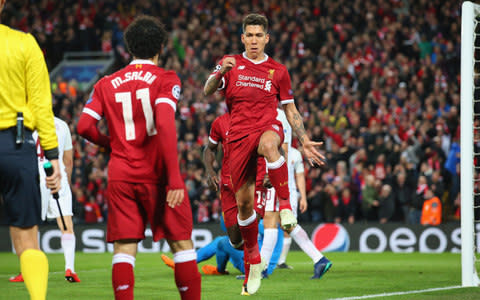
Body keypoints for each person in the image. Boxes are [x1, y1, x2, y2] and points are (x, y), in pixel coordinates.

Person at [77, 15, 201, 300]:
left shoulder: (106, 83)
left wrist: (111, 144)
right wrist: (174, 178)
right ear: (160, 46)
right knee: (181, 245)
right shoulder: (166, 78)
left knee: (123, 249)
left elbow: (84, 126)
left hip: (121, 174)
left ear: (129, 47)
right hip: (157, 174)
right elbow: (166, 125)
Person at [203, 13, 326, 295]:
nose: (255, 40)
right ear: (243, 38)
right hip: (238, 139)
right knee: (243, 213)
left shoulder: (278, 71)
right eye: (250, 35)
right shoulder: (231, 63)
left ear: (267, 38)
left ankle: (285, 206)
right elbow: (207, 90)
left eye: (260, 35)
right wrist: (220, 70)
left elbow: (290, 109)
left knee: (272, 144)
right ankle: (253, 262)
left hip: (266, 128)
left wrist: (304, 139)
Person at [0, 0, 62, 298]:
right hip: (15, 144)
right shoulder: (24, 44)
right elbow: (41, 104)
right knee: (27, 239)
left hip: (15, 142)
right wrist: (52, 158)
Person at [261, 109, 332, 279]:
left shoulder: (276, 115)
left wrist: (272, 176)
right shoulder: (277, 114)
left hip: (276, 180)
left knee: (273, 222)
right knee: (283, 224)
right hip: (278, 180)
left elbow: (282, 149)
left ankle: (260, 269)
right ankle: (319, 259)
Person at [10, 117, 80, 283]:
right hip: (58, 176)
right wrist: (66, 183)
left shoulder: (27, 123)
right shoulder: (63, 125)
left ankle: (30, 270)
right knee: (66, 225)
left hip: (35, 177)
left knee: (32, 227)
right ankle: (70, 268)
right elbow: (68, 160)